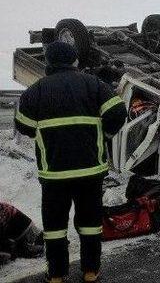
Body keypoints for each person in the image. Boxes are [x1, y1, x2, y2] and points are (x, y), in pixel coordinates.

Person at [14, 41, 127, 283]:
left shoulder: (35, 91)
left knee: (54, 226)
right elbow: (118, 112)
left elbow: (23, 126)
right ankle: (90, 271)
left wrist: (44, 134)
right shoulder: (94, 84)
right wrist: (103, 135)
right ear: (75, 61)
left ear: (48, 62)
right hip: (90, 171)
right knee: (90, 224)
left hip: (55, 174)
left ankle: (56, 274)